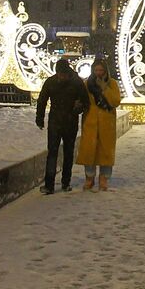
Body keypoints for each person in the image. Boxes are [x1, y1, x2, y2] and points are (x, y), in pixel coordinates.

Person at [36, 58, 89, 193]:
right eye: (59, 74)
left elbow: (85, 101)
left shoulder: (76, 82)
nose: (61, 76)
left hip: (70, 122)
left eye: (63, 74)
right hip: (55, 121)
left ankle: (66, 182)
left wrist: (77, 109)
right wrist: (39, 119)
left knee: (68, 153)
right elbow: (42, 100)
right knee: (52, 153)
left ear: (68, 72)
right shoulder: (51, 82)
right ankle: (49, 185)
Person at [76, 59, 122, 191]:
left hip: (107, 121)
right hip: (90, 121)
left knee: (105, 151)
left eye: (101, 70)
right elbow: (83, 100)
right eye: (96, 70)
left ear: (105, 70)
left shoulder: (112, 83)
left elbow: (115, 101)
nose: (99, 73)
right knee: (89, 151)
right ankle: (89, 178)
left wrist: (105, 89)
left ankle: (104, 178)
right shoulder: (87, 84)